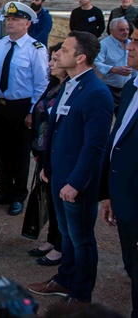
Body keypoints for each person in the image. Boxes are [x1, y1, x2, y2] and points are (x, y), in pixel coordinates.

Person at [28, 32, 113, 305]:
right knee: (66, 234)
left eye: (64, 49)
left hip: (76, 181)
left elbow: (95, 146)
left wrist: (75, 182)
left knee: (82, 238)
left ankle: (80, 294)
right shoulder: (69, 84)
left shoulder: (96, 93)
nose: (58, 53)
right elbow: (55, 128)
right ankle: (65, 279)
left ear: (80, 57)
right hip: (57, 175)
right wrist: (47, 166)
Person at [0, 1, 49, 216]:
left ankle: (18, 195)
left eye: (15, 20)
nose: (10, 23)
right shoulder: (1, 44)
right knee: (0, 150)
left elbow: (42, 84)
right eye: (9, 19)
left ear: (27, 23)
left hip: (22, 107)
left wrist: (33, 111)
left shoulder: (36, 50)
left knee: (20, 153)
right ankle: (4, 190)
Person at [101, 25, 138, 318]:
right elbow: (119, 142)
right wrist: (112, 194)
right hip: (125, 200)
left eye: (136, 42)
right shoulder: (131, 87)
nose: (129, 46)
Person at [24, 43, 65, 268]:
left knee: (59, 201)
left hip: (57, 154)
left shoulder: (68, 89)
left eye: (56, 59)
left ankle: (60, 246)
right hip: (44, 152)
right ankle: (52, 239)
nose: (50, 63)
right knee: (49, 198)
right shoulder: (53, 84)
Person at [95, 17, 134, 115]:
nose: (125, 32)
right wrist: (114, 69)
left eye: (127, 29)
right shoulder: (103, 45)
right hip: (109, 89)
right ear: (112, 30)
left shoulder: (131, 44)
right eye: (121, 30)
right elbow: (96, 64)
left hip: (127, 89)